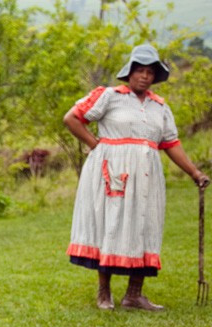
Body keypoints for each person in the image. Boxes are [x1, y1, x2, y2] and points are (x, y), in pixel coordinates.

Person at [63, 43, 210, 311]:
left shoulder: (160, 107)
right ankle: (104, 292)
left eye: (150, 72)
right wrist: (96, 144)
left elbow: (171, 143)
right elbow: (72, 118)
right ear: (129, 73)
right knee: (111, 224)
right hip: (112, 172)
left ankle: (134, 294)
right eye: (139, 70)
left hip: (147, 176)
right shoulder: (109, 96)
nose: (144, 76)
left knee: (144, 226)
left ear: (155, 77)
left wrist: (194, 172)